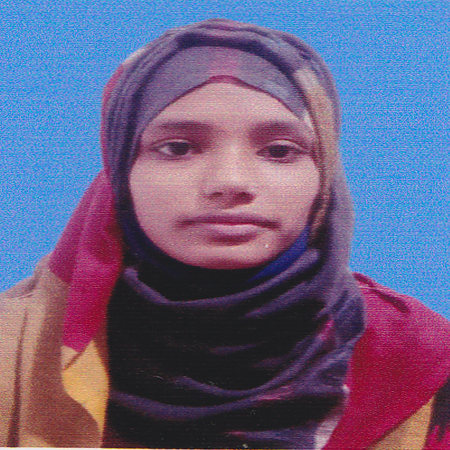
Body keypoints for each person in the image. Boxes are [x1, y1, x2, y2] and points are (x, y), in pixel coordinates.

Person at [1, 18, 449, 449]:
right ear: (121, 170)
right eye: (178, 148)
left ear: (324, 175)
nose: (230, 181)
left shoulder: (418, 359)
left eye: (279, 151)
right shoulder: (15, 347)